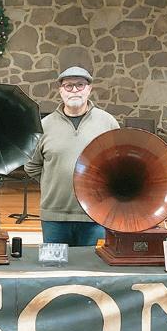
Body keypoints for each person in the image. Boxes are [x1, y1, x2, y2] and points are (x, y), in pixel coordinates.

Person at [24, 66, 120, 246]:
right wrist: (54, 181)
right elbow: (31, 166)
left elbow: (118, 166)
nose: (74, 90)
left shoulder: (108, 123)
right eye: (68, 86)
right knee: (54, 263)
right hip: (54, 217)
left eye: (80, 85)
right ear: (60, 91)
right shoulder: (44, 126)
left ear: (89, 89)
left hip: (96, 215)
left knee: (93, 264)